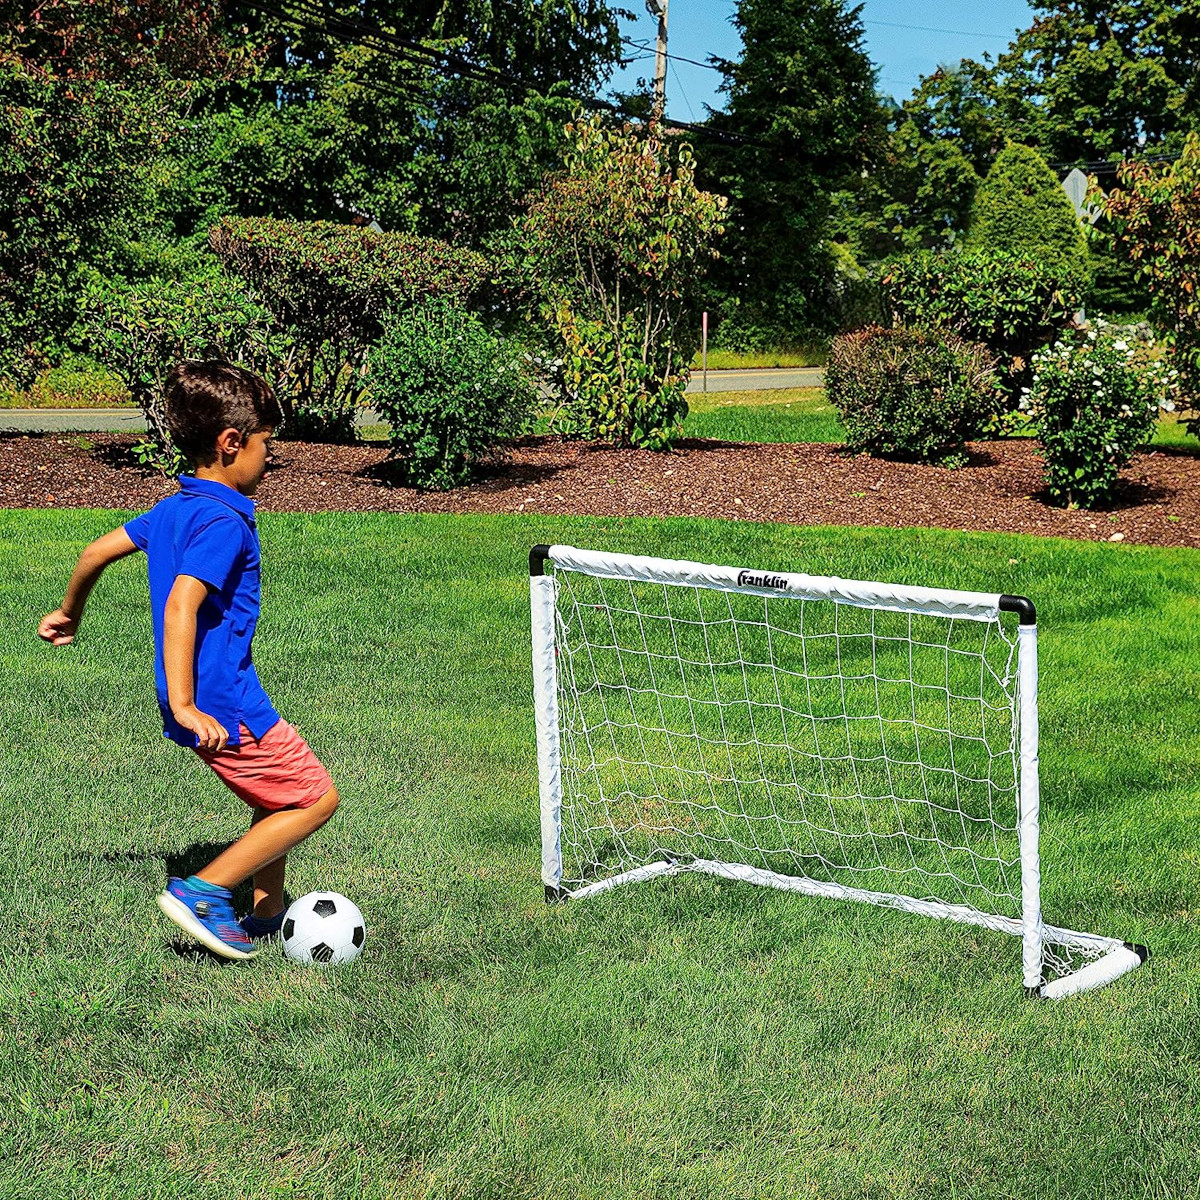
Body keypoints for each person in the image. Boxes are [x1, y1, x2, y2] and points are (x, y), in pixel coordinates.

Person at [38, 360, 340, 960]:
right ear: (231, 444)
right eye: (265, 447)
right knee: (311, 798)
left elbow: (97, 549)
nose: (268, 459)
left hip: (204, 697)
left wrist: (70, 610)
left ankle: (266, 913)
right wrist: (185, 701)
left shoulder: (176, 508)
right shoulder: (225, 520)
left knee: (272, 799)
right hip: (223, 701)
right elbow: (182, 605)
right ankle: (204, 891)